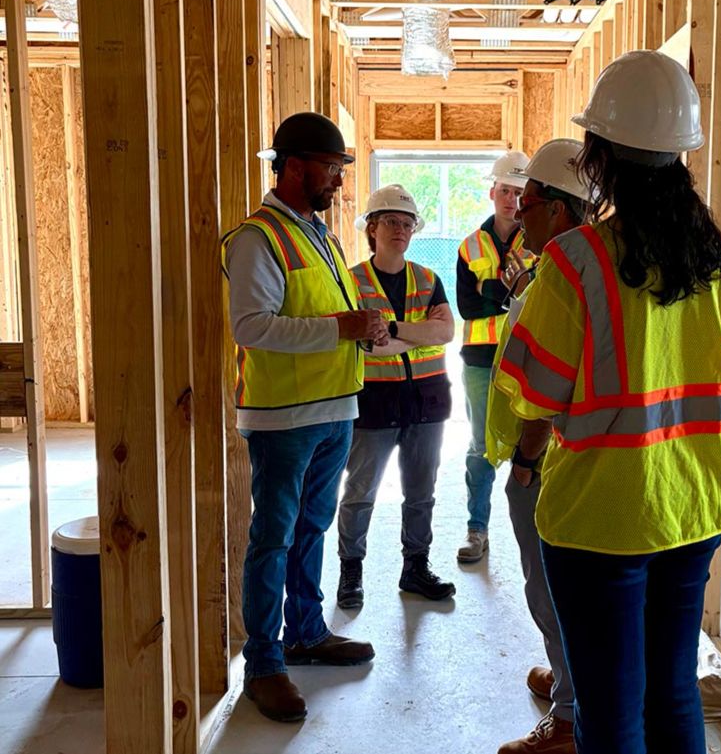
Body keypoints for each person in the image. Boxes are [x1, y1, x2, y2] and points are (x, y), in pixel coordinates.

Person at [493, 51, 721, 754]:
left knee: (610, 710)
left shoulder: (576, 260)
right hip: (693, 504)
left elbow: (534, 395)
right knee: (671, 691)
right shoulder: (715, 261)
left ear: (598, 157)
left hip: (600, 515)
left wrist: (522, 460)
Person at [222, 112, 387, 724]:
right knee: (273, 539)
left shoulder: (320, 233)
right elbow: (251, 327)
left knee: (311, 529)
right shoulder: (257, 238)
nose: (338, 181)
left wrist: (360, 328)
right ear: (294, 166)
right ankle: (264, 663)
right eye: (331, 168)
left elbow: (326, 310)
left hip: (334, 409)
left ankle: (307, 633)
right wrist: (341, 327)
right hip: (282, 420)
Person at [485, 139, 594, 754]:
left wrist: (525, 461)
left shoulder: (560, 278)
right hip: (561, 456)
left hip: (549, 459)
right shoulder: (568, 269)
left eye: (526, 201)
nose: (516, 213)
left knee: (548, 586)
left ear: (557, 209)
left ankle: (571, 714)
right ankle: (571, 679)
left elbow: (546, 389)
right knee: (561, 585)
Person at [336, 184, 456, 608]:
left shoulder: (427, 278)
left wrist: (397, 329)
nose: (400, 230)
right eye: (391, 221)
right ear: (372, 227)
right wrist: (421, 334)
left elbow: (446, 332)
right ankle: (351, 570)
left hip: (426, 402)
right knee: (360, 492)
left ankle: (416, 568)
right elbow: (372, 345)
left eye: (407, 224)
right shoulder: (352, 282)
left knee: (421, 492)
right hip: (373, 403)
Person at [456, 150, 536, 563]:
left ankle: (539, 529)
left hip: (529, 355)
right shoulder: (470, 245)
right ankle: (477, 528)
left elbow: (541, 295)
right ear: (492, 191)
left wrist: (494, 292)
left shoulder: (541, 239)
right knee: (481, 445)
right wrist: (509, 291)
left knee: (535, 441)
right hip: (481, 358)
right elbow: (468, 307)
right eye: (506, 190)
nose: (512, 199)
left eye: (520, 192)